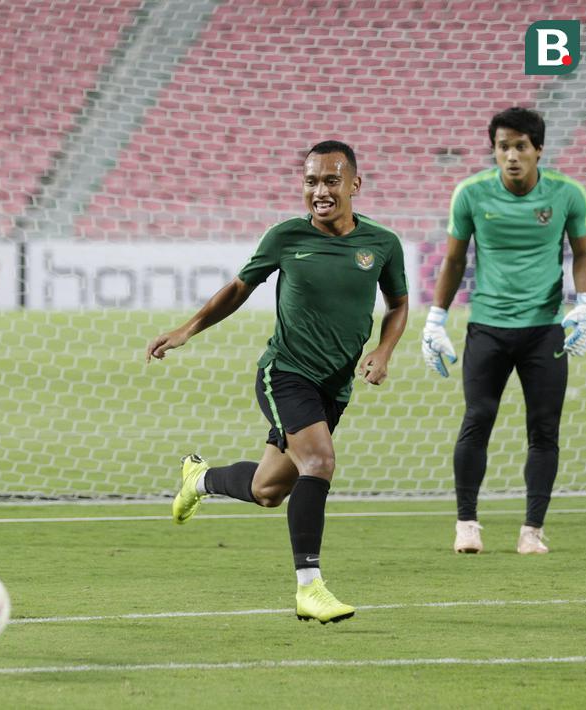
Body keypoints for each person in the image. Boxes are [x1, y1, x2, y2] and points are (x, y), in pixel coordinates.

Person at [146, 140, 408, 624]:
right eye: (311, 182)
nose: (320, 191)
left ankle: (198, 479)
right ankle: (310, 588)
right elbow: (238, 289)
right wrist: (187, 330)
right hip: (285, 373)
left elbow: (398, 304)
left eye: (331, 181)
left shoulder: (382, 244)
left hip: (335, 386)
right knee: (320, 461)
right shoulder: (286, 237)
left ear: (354, 184)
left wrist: (383, 350)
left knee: (269, 490)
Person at [422, 107, 586, 555]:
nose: (512, 156)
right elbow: (454, 261)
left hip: (545, 330)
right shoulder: (471, 194)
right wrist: (436, 318)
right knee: (477, 419)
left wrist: (585, 302)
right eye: (503, 147)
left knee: (544, 429)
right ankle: (466, 525)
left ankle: (532, 531)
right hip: (488, 328)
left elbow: (583, 254)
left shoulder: (568, 194)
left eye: (520, 146)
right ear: (494, 150)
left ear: (539, 149)